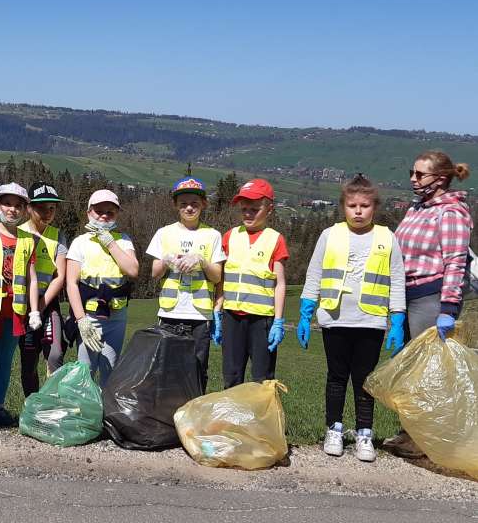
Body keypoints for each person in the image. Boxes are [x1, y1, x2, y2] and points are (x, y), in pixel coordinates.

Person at [296, 174, 406, 462]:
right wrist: (306, 312)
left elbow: (396, 280)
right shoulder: (329, 235)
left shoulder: (387, 237)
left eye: (365, 205)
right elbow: (315, 274)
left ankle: (364, 433)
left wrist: (397, 319)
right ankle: (334, 429)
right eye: (352, 205)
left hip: (370, 321)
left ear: (375, 208)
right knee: (336, 377)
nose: (358, 211)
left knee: (364, 381)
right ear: (343, 207)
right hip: (335, 319)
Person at [385, 150, 472, 457]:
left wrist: (448, 309)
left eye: (420, 174)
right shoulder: (417, 208)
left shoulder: (450, 213)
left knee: (429, 371)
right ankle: (409, 432)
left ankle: (427, 440)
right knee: (411, 369)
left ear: (440, 178)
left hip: (431, 299)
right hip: (407, 294)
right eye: (413, 172)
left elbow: (455, 262)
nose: (413, 178)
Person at [146, 177, 225, 392]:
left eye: (194, 203)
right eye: (183, 204)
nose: (189, 208)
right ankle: (167, 417)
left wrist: (201, 260)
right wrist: (166, 259)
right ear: (175, 205)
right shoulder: (164, 233)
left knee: (197, 370)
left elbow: (217, 276)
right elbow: (154, 273)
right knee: (166, 369)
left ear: (204, 204)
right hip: (170, 313)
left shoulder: (212, 235)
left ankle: (193, 417)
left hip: (199, 316)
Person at [0, 183, 40, 425]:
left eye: (18, 205)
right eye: (7, 204)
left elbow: (32, 278)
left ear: (24, 209)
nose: (12, 210)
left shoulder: (28, 240)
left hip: (16, 311)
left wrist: (34, 310)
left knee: (5, 361)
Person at [218, 179, 288, 388]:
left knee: (262, 379)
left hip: (262, 320)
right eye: (244, 209)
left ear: (269, 209)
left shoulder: (275, 239)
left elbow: (280, 283)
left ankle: (262, 420)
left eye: (255, 209)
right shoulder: (229, 237)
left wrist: (278, 320)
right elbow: (221, 277)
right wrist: (217, 308)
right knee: (231, 375)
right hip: (232, 317)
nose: (248, 214)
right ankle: (232, 420)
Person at [65, 189, 139, 387]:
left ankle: (105, 414)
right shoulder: (80, 242)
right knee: (85, 369)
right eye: (99, 211)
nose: (104, 215)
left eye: (110, 212)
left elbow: (132, 270)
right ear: (89, 213)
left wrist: (111, 244)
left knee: (110, 368)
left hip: (117, 316)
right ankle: (85, 413)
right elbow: (71, 283)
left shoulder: (123, 240)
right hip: (89, 317)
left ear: (117, 214)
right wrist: (81, 320)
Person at [18, 182, 68, 395]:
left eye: (52, 208)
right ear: (29, 207)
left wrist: (40, 305)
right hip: (22, 305)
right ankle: (31, 405)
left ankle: (52, 403)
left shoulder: (58, 236)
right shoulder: (17, 233)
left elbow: (60, 276)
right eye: (41, 207)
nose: (47, 213)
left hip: (48, 302)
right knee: (28, 360)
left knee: (55, 354)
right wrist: (31, 308)